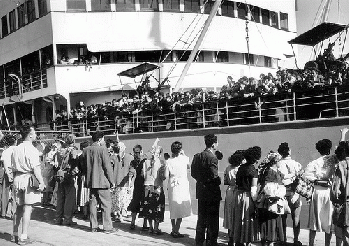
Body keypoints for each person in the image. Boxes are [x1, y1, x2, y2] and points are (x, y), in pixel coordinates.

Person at [12, 125, 46, 244]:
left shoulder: (16, 148)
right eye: (35, 132)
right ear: (30, 134)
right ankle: (24, 237)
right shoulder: (32, 149)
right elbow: (36, 168)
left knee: (18, 207)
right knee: (28, 208)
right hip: (28, 179)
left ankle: (15, 233)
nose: (36, 134)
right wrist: (41, 182)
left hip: (17, 178)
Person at [81, 131, 116, 233]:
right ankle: (107, 227)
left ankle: (93, 226)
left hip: (91, 181)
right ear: (100, 139)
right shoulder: (102, 149)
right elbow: (107, 167)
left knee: (93, 203)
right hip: (102, 181)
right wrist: (112, 181)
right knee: (106, 204)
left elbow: (83, 165)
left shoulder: (86, 150)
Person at [304, 139, 337, 246]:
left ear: (319, 150)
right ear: (330, 149)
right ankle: (327, 244)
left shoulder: (314, 162)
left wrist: (317, 181)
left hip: (317, 192)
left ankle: (311, 244)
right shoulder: (333, 160)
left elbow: (307, 175)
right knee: (328, 220)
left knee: (314, 219)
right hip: (329, 192)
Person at [191, 134, 221, 246]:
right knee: (212, 219)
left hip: (201, 190)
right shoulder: (212, 158)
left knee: (201, 217)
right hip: (212, 191)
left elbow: (193, 173)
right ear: (213, 144)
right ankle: (211, 242)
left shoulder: (197, 156)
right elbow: (214, 176)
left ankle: (199, 241)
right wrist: (218, 180)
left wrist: (201, 180)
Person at [231, 146, 260, 246]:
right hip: (247, 197)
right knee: (247, 220)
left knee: (238, 219)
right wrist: (256, 201)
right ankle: (246, 241)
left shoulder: (241, 168)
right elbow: (253, 189)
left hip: (238, 195)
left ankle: (237, 241)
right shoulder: (253, 171)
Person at [258, 151, 286, 246]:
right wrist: (274, 195)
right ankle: (270, 240)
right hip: (271, 196)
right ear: (275, 161)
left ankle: (267, 240)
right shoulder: (270, 171)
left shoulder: (271, 170)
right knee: (271, 218)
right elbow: (268, 185)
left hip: (270, 196)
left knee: (269, 218)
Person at [277, 142, 303, 246]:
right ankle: (296, 240)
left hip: (282, 193)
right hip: (294, 192)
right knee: (296, 217)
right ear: (289, 151)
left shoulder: (278, 164)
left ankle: (283, 239)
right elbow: (301, 177)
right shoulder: (296, 164)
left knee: (282, 218)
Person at [165, 141, 192, 238]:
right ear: (180, 149)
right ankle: (176, 229)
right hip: (182, 184)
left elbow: (166, 176)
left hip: (172, 184)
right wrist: (183, 154)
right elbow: (189, 167)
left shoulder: (168, 161)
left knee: (173, 207)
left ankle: (174, 229)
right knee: (180, 206)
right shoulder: (185, 159)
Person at [139, 143, 165, 235]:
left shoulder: (146, 162)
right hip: (157, 186)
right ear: (160, 154)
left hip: (147, 186)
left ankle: (150, 227)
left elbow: (144, 175)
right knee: (157, 207)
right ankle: (156, 228)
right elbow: (163, 177)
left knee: (149, 207)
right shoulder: (161, 162)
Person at [55, 134, 80, 226]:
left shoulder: (60, 151)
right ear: (73, 141)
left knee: (60, 198)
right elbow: (74, 159)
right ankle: (67, 219)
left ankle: (58, 218)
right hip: (68, 175)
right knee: (69, 198)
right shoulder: (72, 150)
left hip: (60, 175)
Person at [223, 150, 245, 245]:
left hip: (229, 191)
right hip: (237, 191)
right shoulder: (240, 169)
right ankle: (237, 238)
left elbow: (226, 181)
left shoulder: (228, 168)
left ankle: (230, 238)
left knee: (229, 214)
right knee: (237, 215)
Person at [111, 141, 134, 222]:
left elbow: (132, 169)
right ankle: (118, 215)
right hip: (116, 182)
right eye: (119, 148)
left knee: (124, 201)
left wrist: (130, 181)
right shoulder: (113, 158)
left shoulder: (130, 157)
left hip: (125, 183)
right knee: (117, 201)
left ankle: (123, 214)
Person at [128, 144, 148, 230]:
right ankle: (143, 224)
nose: (137, 154)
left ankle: (134, 223)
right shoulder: (144, 161)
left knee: (138, 202)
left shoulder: (136, 162)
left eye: (137, 152)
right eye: (136, 152)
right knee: (143, 202)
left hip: (139, 184)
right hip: (141, 184)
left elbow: (131, 174)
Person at [1, 134, 17, 218]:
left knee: (5, 193)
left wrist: (7, 172)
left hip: (7, 171)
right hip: (15, 172)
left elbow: (4, 163)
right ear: (15, 142)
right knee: (15, 194)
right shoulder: (17, 150)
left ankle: (3, 212)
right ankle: (13, 213)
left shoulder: (5, 151)